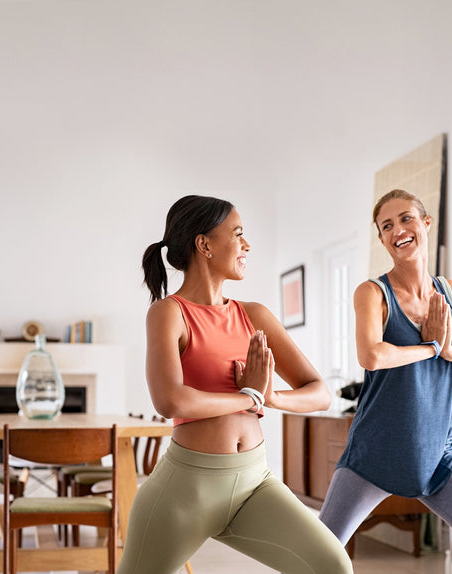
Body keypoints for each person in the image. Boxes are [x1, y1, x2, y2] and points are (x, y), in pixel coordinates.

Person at [118, 195, 353, 574]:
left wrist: (270, 396)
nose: (247, 245)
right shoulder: (168, 313)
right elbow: (171, 401)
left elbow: (319, 392)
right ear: (204, 244)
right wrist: (248, 396)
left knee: (332, 564)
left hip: (254, 484)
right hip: (184, 491)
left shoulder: (254, 315)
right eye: (238, 234)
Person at [319, 189, 452, 573]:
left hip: (436, 457)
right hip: (373, 455)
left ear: (426, 223)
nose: (399, 230)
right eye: (387, 225)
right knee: (318, 556)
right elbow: (372, 356)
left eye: (407, 218)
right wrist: (431, 348)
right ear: (382, 239)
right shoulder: (372, 293)